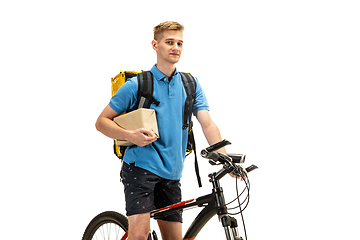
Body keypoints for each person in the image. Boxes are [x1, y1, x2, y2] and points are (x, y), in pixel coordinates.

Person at [95, 21, 227, 240]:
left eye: (179, 43)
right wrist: (130, 136)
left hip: (172, 173)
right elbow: (101, 122)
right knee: (139, 235)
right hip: (140, 169)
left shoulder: (190, 84)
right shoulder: (137, 85)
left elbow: (207, 124)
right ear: (155, 45)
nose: (175, 47)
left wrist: (224, 159)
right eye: (169, 42)